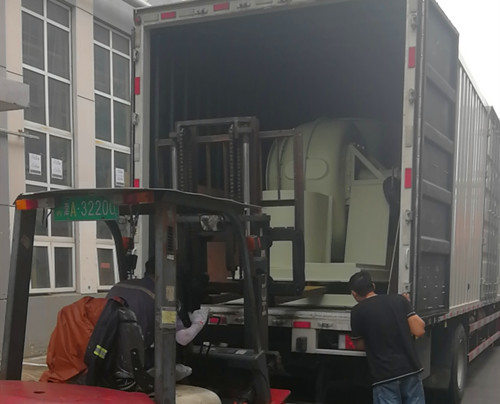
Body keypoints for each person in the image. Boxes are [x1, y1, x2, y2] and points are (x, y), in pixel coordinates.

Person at [107, 256, 208, 376]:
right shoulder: (161, 299)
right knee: (180, 367)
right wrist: (199, 322)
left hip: (108, 357)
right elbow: (183, 338)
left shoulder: (118, 286)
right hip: (135, 363)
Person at [349, 270, 426, 404]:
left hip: (384, 375)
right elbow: (419, 330)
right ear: (373, 286)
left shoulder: (357, 312)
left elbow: (359, 345)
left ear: (354, 294)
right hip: (410, 369)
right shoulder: (399, 300)